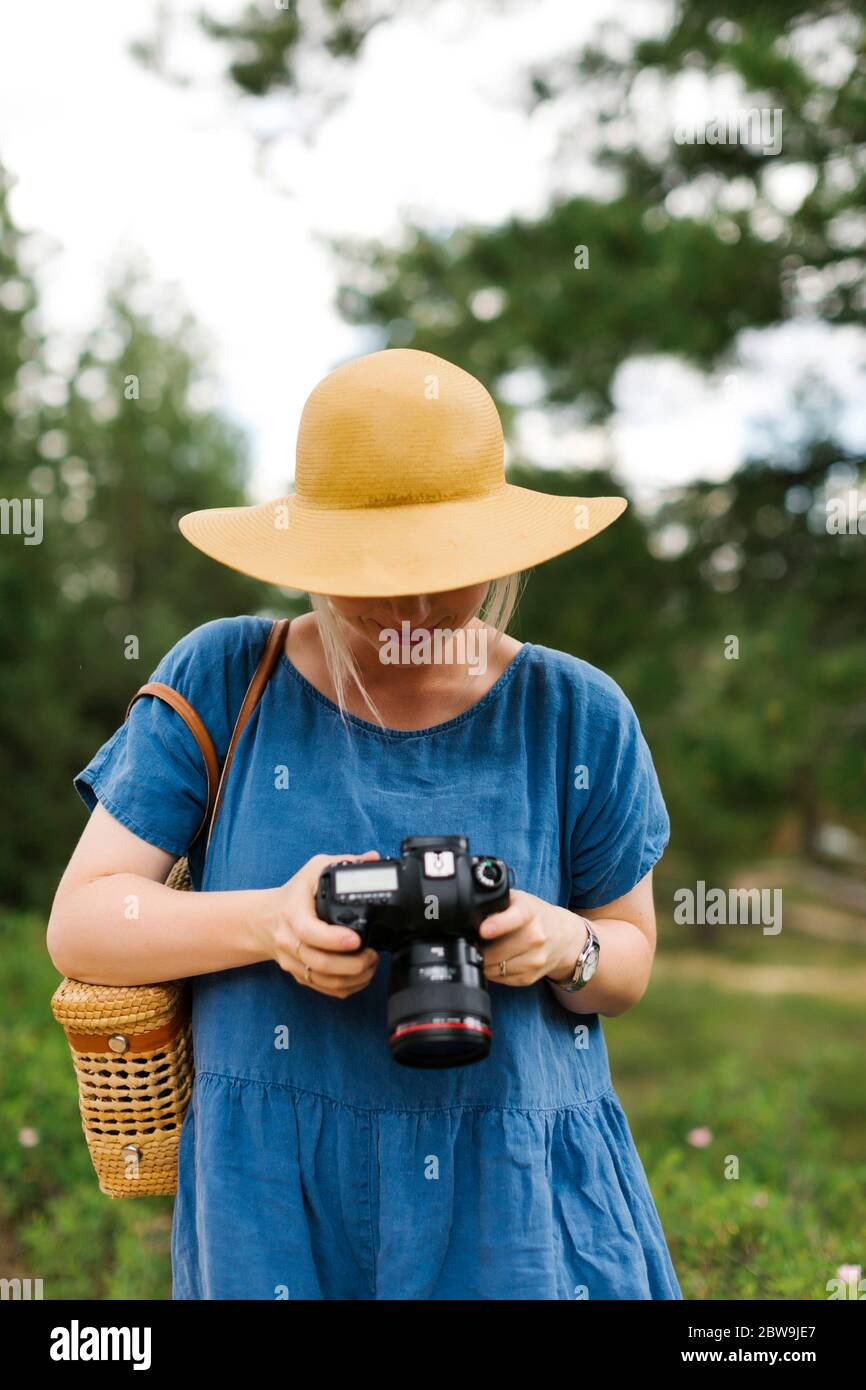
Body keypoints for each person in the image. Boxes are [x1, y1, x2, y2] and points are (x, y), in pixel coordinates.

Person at [48, 347, 682, 1300]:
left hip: (517, 1210)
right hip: (274, 1203)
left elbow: (627, 964)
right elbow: (85, 923)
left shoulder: (576, 713)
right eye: (374, 570)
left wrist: (561, 945)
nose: (412, 605)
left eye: (444, 568)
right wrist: (271, 922)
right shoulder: (223, 679)